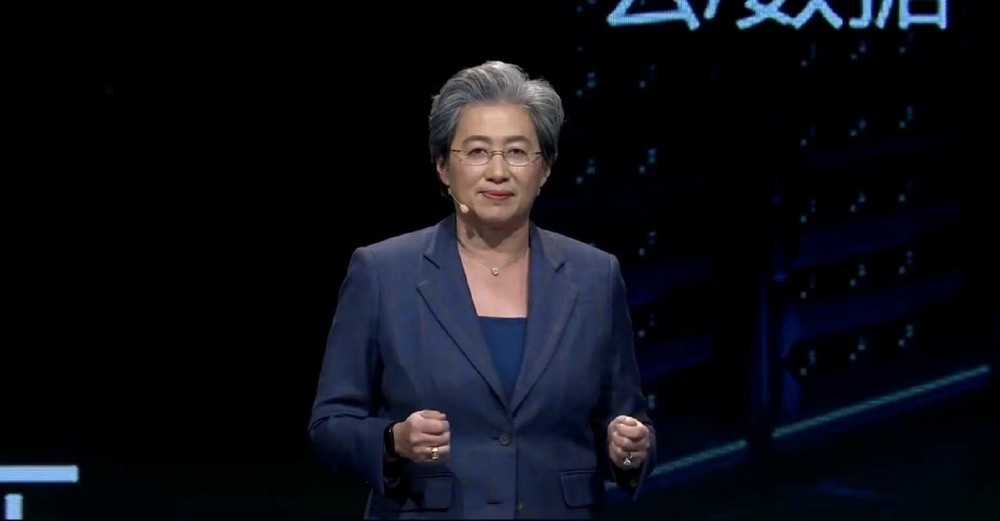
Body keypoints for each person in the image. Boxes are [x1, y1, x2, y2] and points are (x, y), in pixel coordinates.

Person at [308, 60, 656, 519]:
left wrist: (629, 448)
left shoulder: (595, 276)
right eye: (476, 152)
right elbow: (330, 425)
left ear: (545, 168)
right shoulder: (382, 273)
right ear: (443, 166)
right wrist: (394, 440)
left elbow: (627, 420)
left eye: (517, 152)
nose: (497, 171)